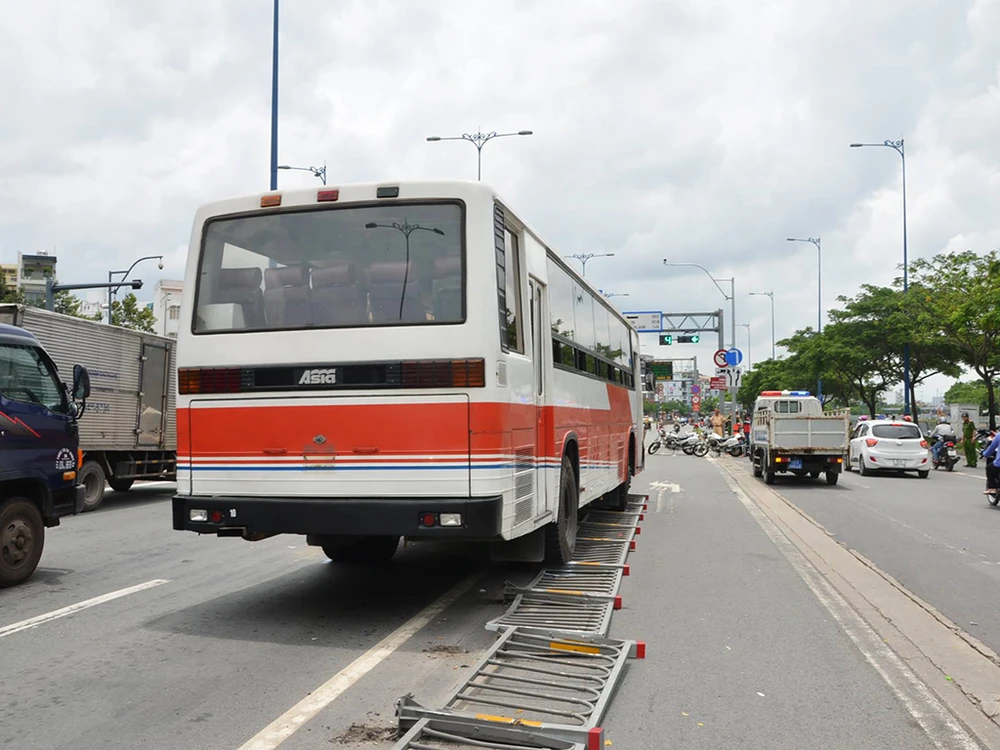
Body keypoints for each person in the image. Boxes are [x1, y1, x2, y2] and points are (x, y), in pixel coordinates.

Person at [982, 429, 1000, 496]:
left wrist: (985, 454)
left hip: (998, 463)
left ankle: (992, 488)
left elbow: (991, 448)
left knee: (989, 468)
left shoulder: (998, 436)